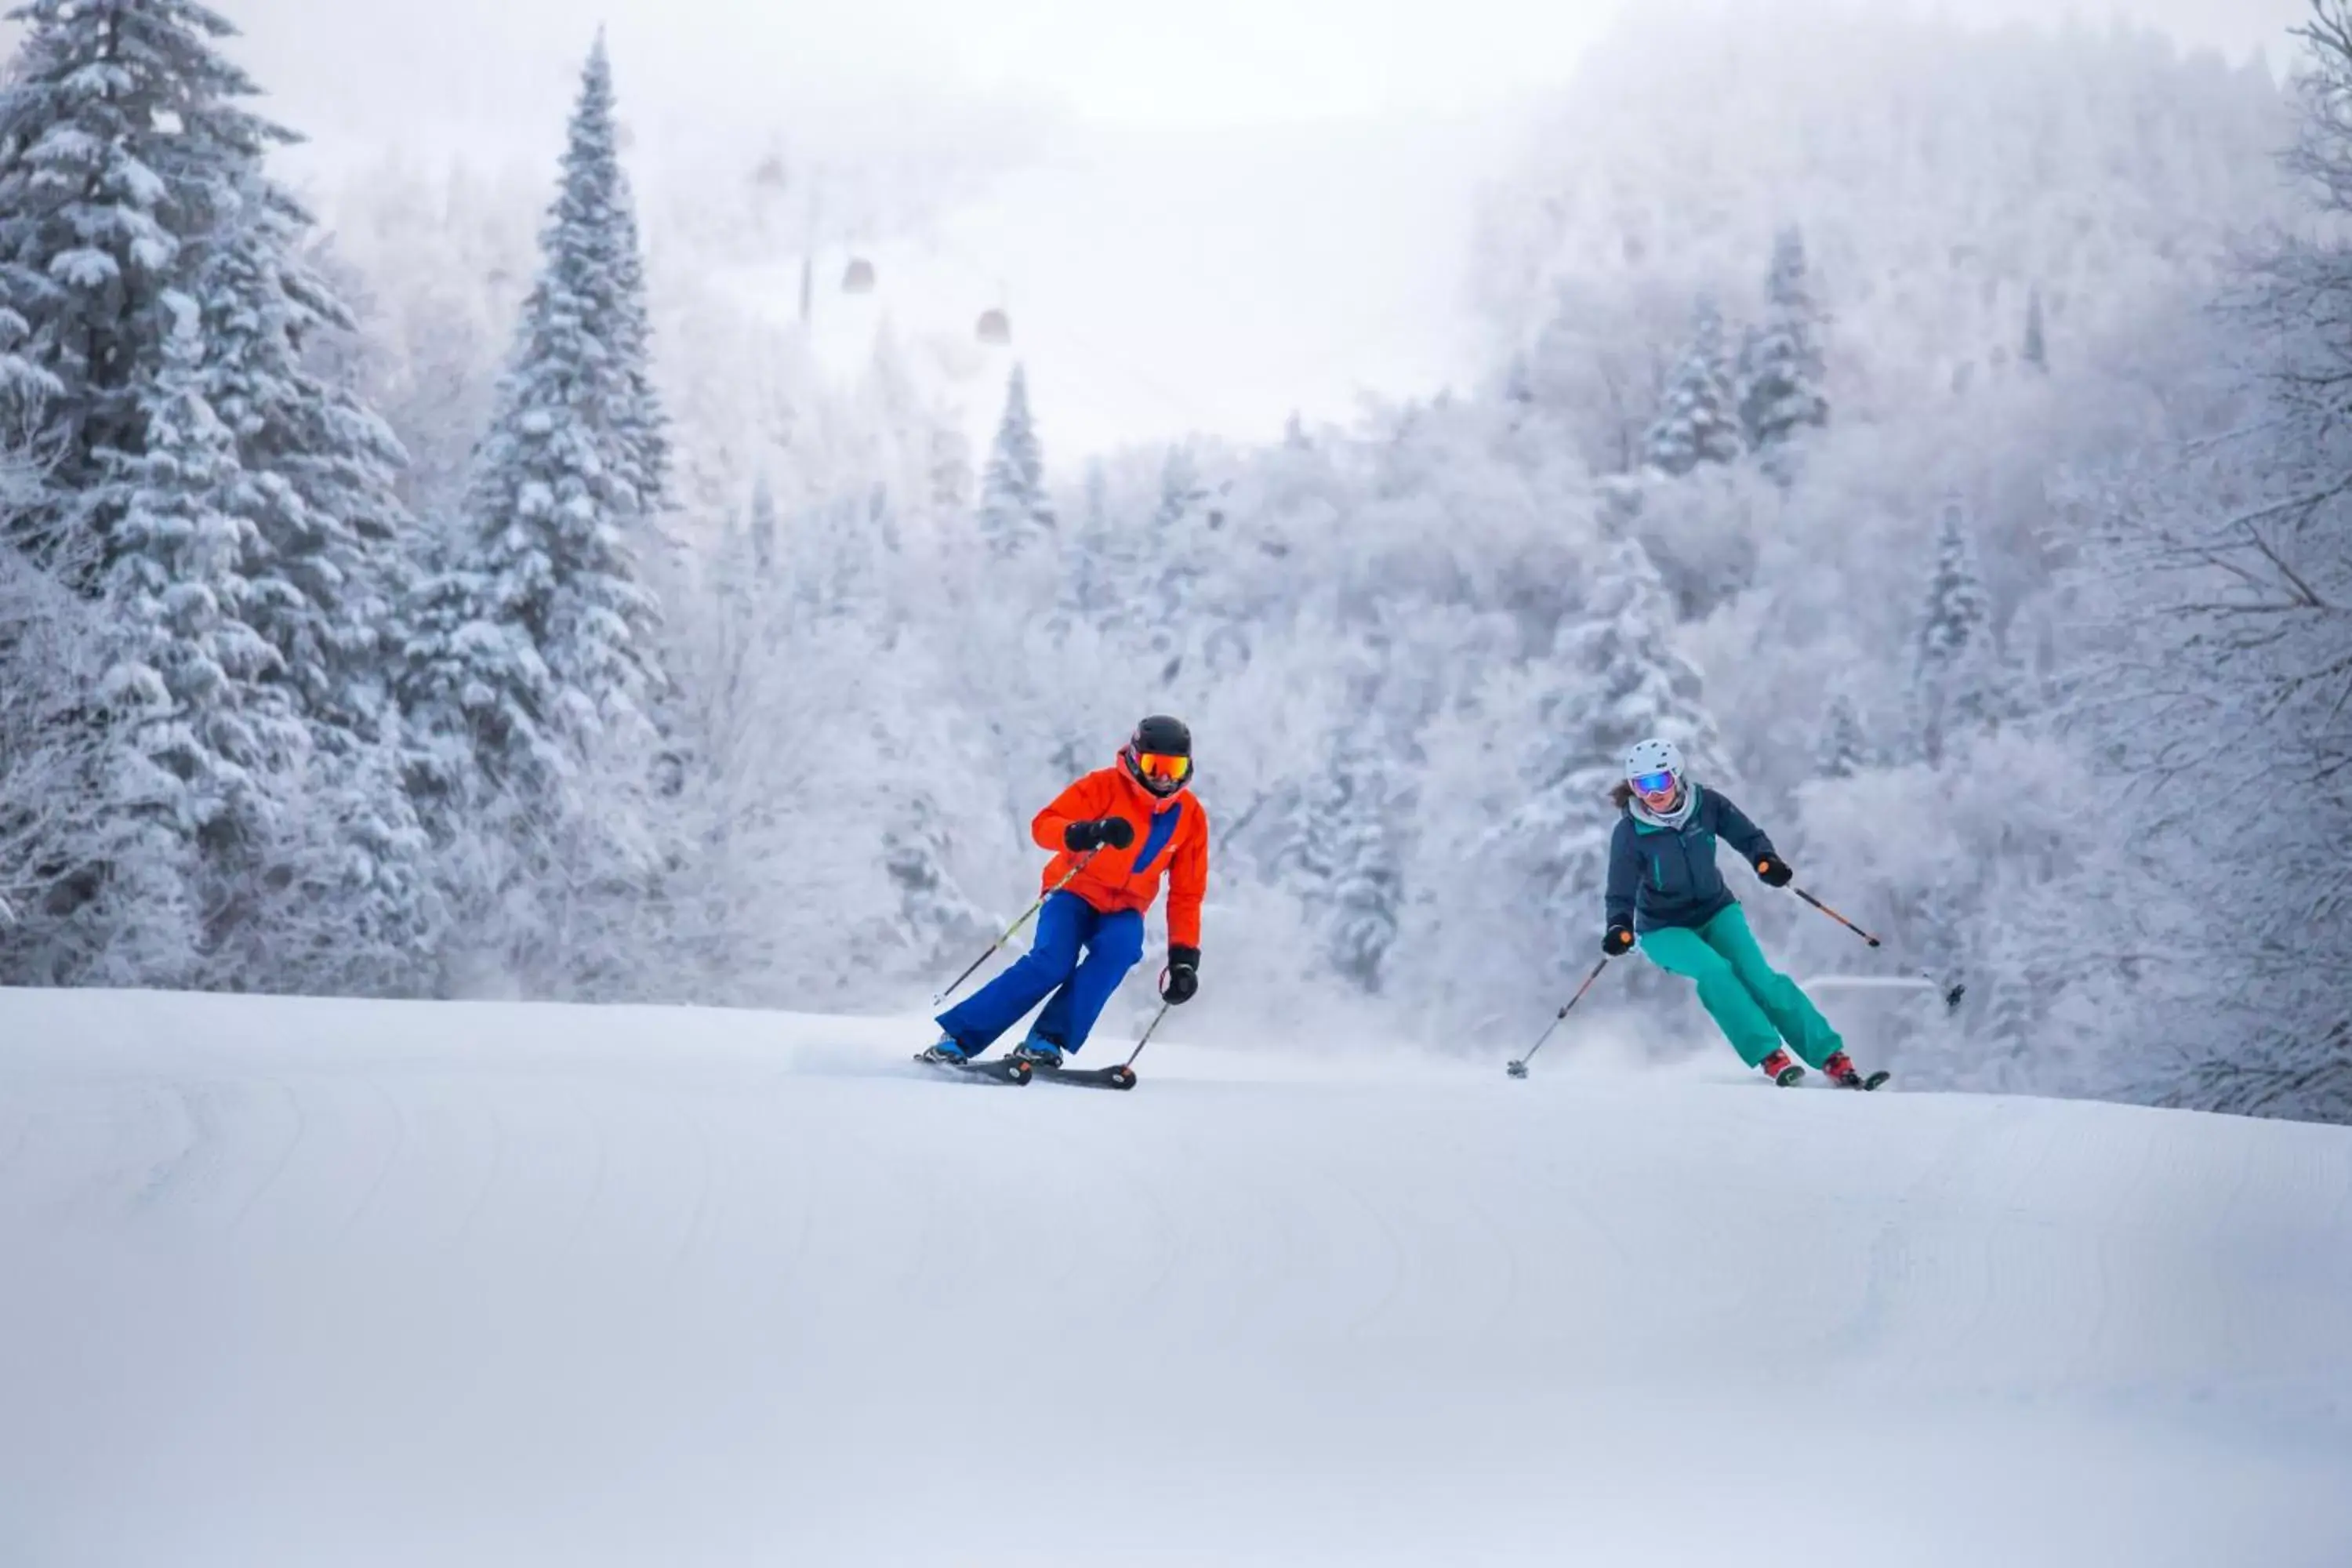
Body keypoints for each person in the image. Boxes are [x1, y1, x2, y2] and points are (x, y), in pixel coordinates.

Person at [924, 715, 1207, 1067]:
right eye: (1154, 766)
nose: (1164, 778)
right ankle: (960, 1037)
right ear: (1135, 759)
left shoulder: (1190, 817)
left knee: (1120, 951)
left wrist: (1184, 958)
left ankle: (1047, 1040)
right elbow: (1044, 825)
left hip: (1124, 909)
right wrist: (1088, 831)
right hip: (1074, 892)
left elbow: (1186, 893)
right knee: (1052, 962)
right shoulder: (1103, 787)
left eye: (1174, 767)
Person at [1602, 737, 1875, 1087]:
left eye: (1660, 782)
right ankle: (1770, 1055)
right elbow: (1620, 889)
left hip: (1717, 911)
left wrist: (1765, 861)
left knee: (1759, 977)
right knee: (1715, 972)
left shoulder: (1707, 804)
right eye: (1642, 785)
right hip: (1663, 928)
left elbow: (1747, 836)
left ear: (1677, 776)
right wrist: (1618, 926)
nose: (1652, 793)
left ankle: (1832, 1057)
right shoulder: (1630, 832)